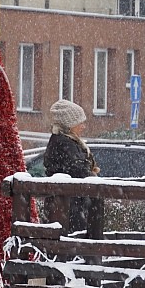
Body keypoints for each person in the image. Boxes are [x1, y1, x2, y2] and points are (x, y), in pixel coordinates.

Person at [42, 99, 99, 233]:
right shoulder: (65, 143)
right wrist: (91, 175)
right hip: (68, 206)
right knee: (71, 241)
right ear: (70, 124)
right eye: (80, 122)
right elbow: (78, 170)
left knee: (70, 242)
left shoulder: (65, 141)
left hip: (67, 204)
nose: (83, 126)